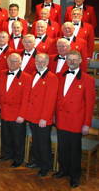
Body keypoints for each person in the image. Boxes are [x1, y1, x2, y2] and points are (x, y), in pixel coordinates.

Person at [54, 50, 95, 188]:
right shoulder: (59, 76)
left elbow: (89, 104)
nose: (71, 61)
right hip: (61, 118)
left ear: (80, 61)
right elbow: (56, 99)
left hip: (76, 120)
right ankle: (63, 170)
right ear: (66, 61)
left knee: (74, 150)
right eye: (69, 59)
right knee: (62, 147)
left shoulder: (88, 79)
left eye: (74, 59)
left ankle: (75, 176)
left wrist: (87, 124)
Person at [0, 53, 31, 168]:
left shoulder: (26, 77)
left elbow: (26, 98)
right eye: (10, 61)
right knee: (6, 135)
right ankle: (7, 154)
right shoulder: (2, 74)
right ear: (7, 62)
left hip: (17, 113)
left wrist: (22, 115)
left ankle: (18, 158)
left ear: (20, 62)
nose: (12, 63)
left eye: (15, 61)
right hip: (5, 111)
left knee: (18, 137)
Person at [24, 53, 58, 177]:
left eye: (43, 61)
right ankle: (37, 161)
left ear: (47, 62)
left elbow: (50, 100)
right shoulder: (33, 74)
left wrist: (45, 117)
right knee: (36, 140)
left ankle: (45, 166)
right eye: (38, 61)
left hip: (43, 117)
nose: (40, 63)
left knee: (44, 142)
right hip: (33, 114)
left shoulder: (52, 77)